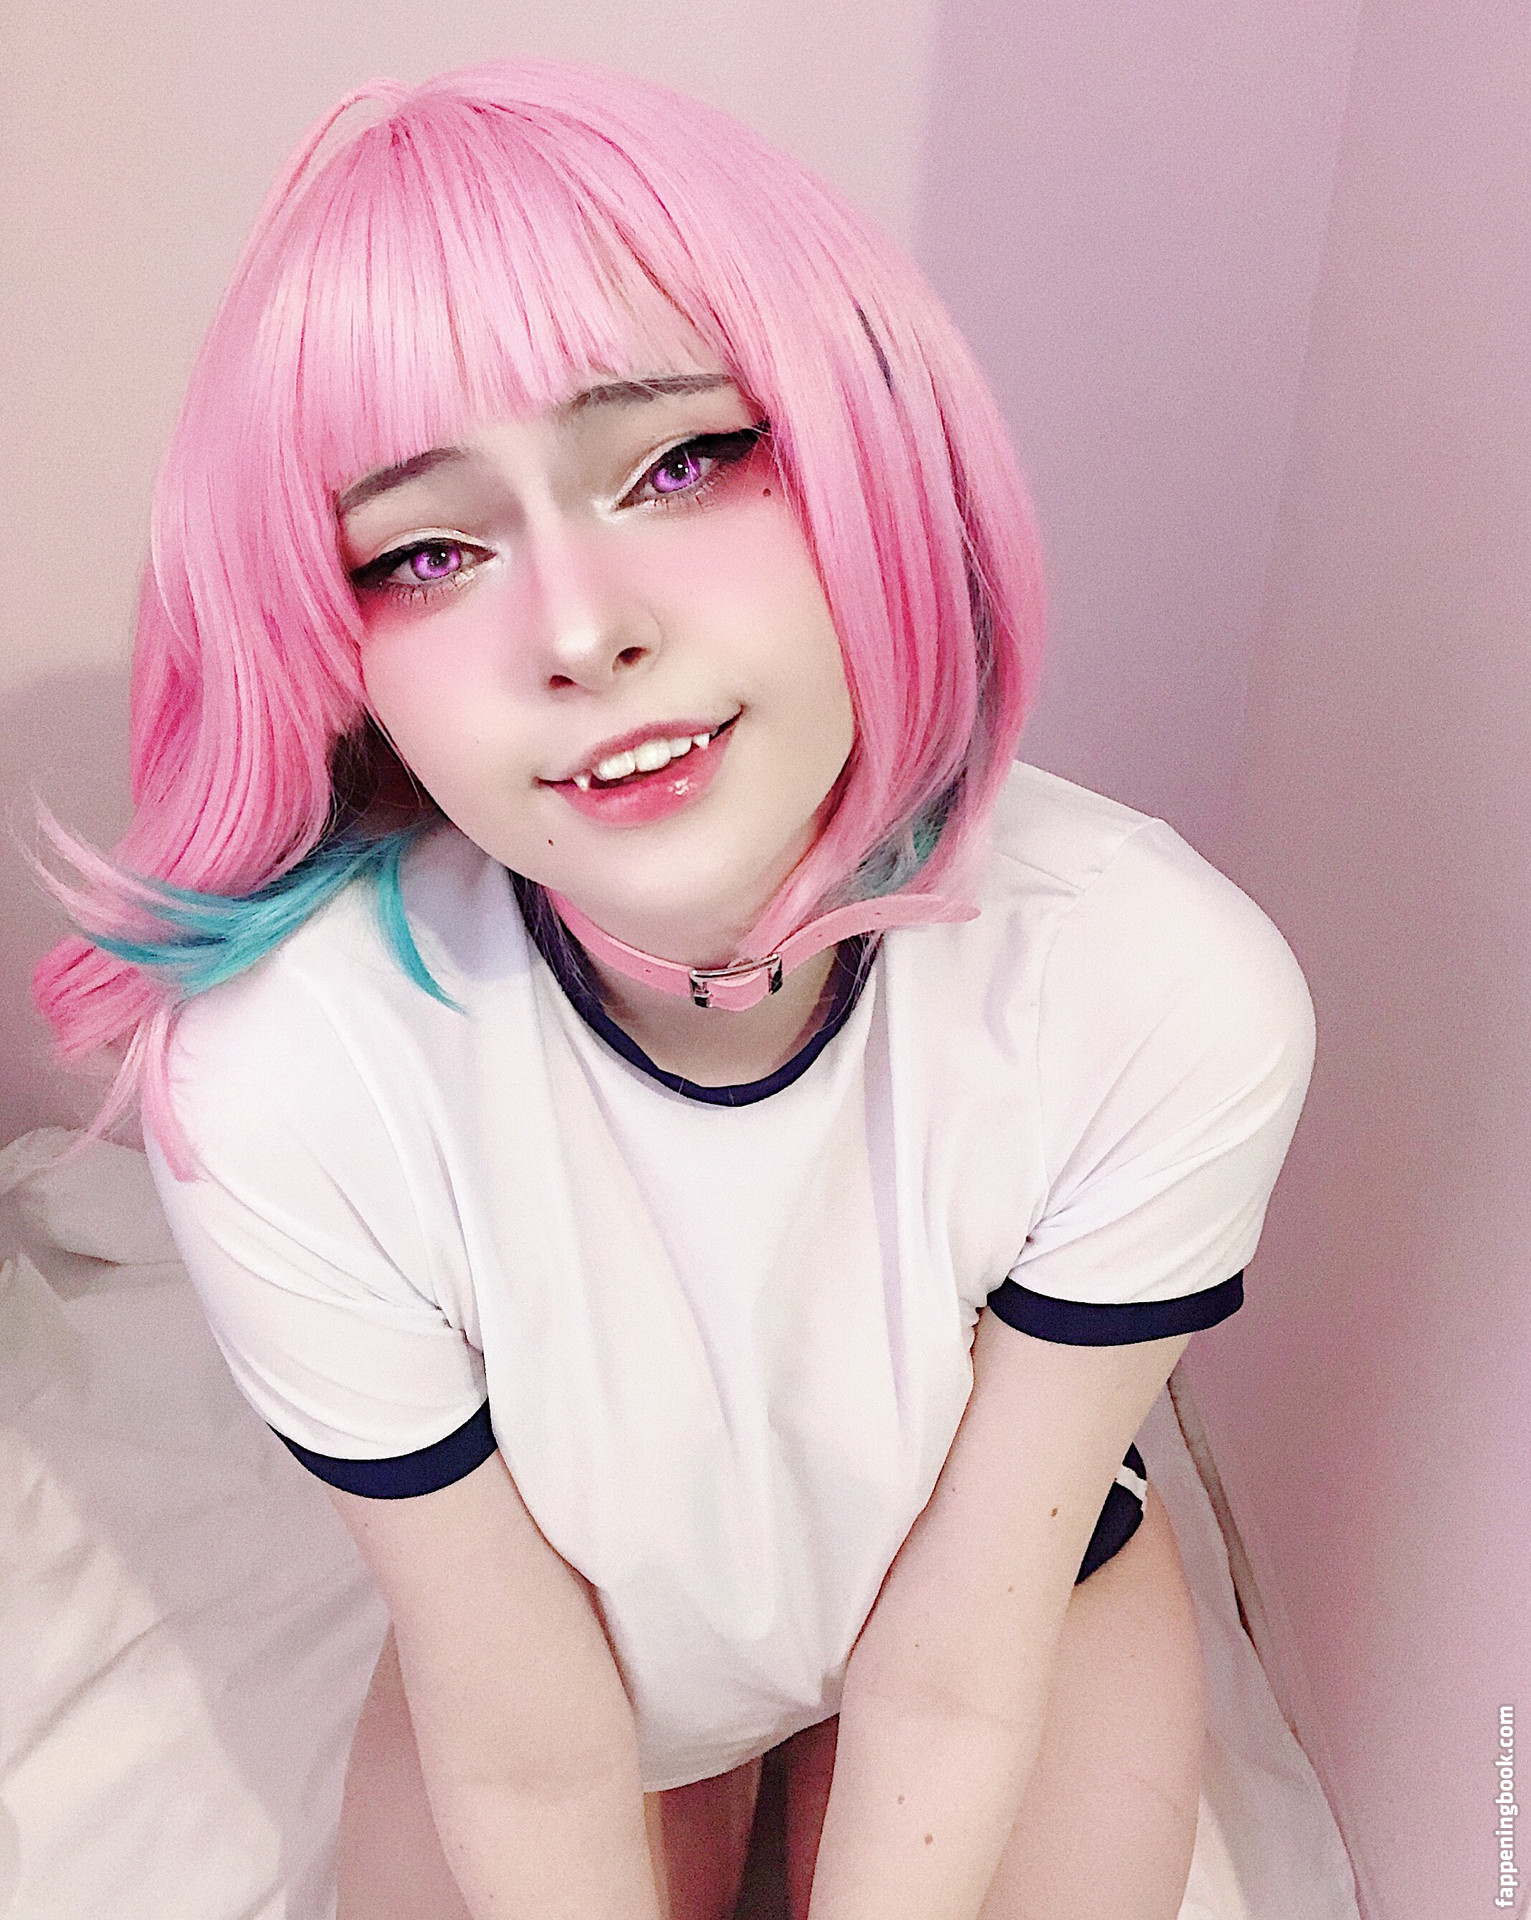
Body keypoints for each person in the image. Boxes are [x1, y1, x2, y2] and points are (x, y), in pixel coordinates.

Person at [32, 58, 1316, 1920]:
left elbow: (963, 1655)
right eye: (428, 551)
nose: (579, 630)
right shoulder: (293, 1079)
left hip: (1006, 1602)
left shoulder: (1157, 989)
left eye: (681, 461)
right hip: (582, 1664)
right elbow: (518, 1716)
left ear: (871, 446)